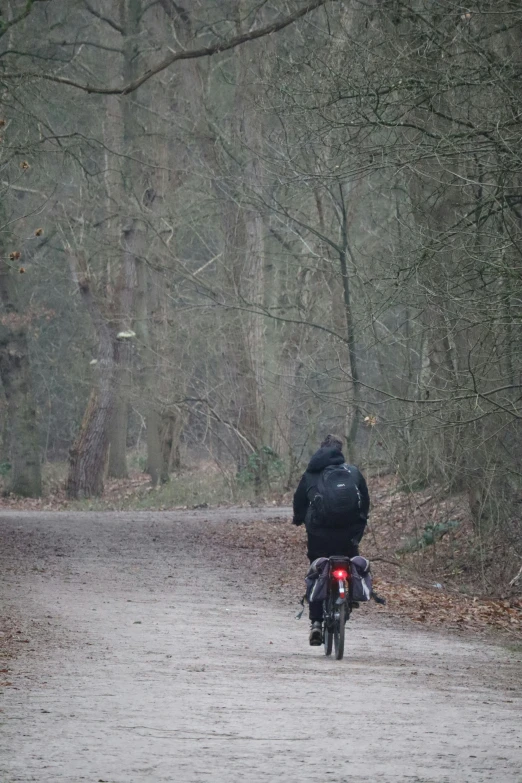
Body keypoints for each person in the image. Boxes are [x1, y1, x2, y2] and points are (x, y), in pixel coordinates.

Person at [292, 434, 370, 645]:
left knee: (317, 572)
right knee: (352, 562)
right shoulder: (352, 473)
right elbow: (365, 503)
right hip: (348, 536)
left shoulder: (311, 474)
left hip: (319, 537)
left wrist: (298, 519)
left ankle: (316, 623)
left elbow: (299, 502)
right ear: (340, 451)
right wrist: (359, 526)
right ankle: (351, 597)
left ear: (321, 449)